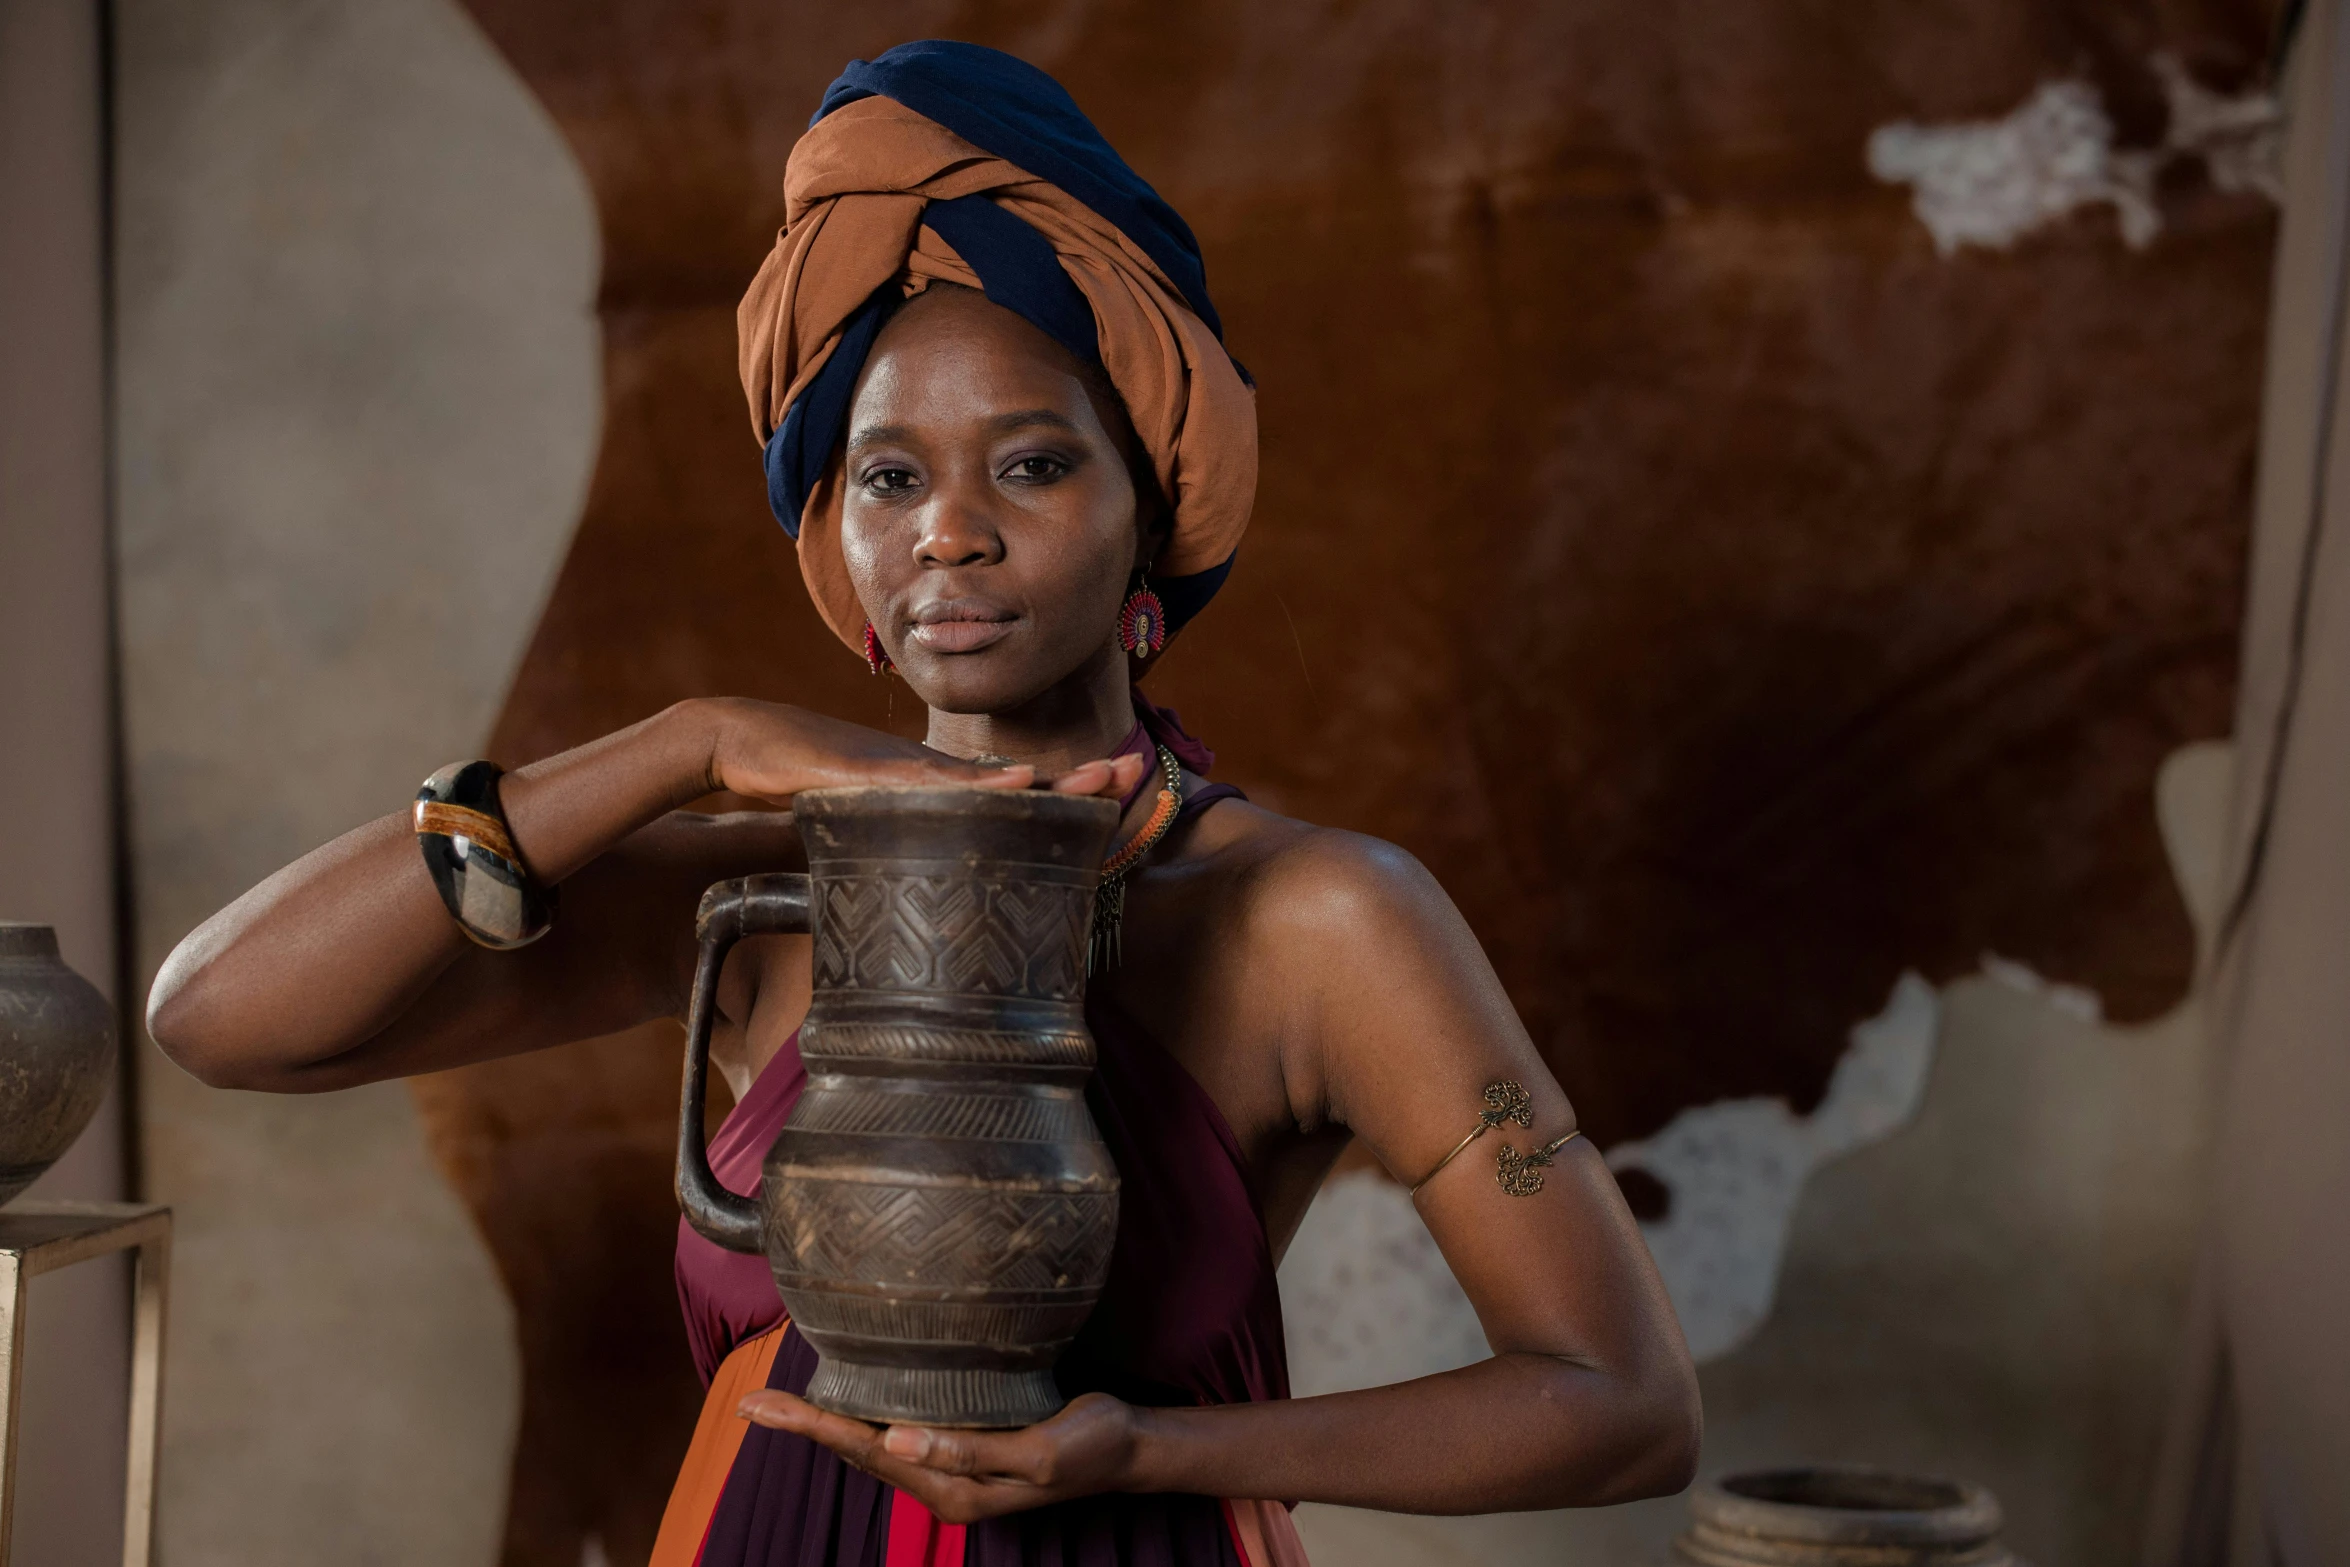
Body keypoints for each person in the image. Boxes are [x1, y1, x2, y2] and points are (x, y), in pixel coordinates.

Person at [148, 39, 1699, 1567]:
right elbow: (222, 1017)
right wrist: (682, 746)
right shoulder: (755, 898)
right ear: (834, 533)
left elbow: (1618, 1401)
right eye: (889, 478)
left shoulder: (1311, 921)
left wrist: (1159, 1447)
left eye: (1030, 465)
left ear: (1149, 502)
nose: (949, 533)